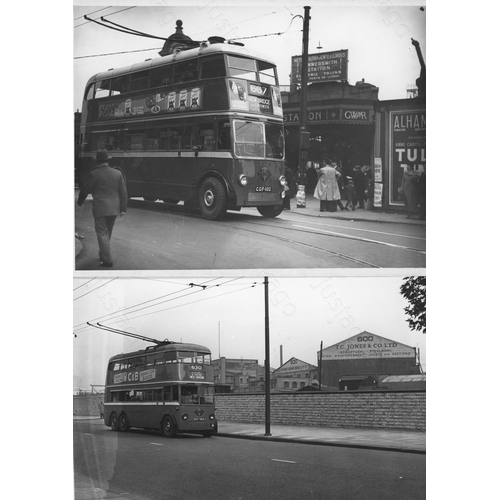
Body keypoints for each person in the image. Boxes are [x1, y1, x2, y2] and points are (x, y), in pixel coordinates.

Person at [77, 150, 128, 267]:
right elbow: (123, 193)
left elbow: (85, 189)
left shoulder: (94, 174)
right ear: (107, 160)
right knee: (107, 233)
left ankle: (107, 261)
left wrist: (80, 201)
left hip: (100, 209)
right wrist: (123, 208)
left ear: (98, 161)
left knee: (101, 233)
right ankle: (103, 254)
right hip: (114, 209)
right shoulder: (117, 173)